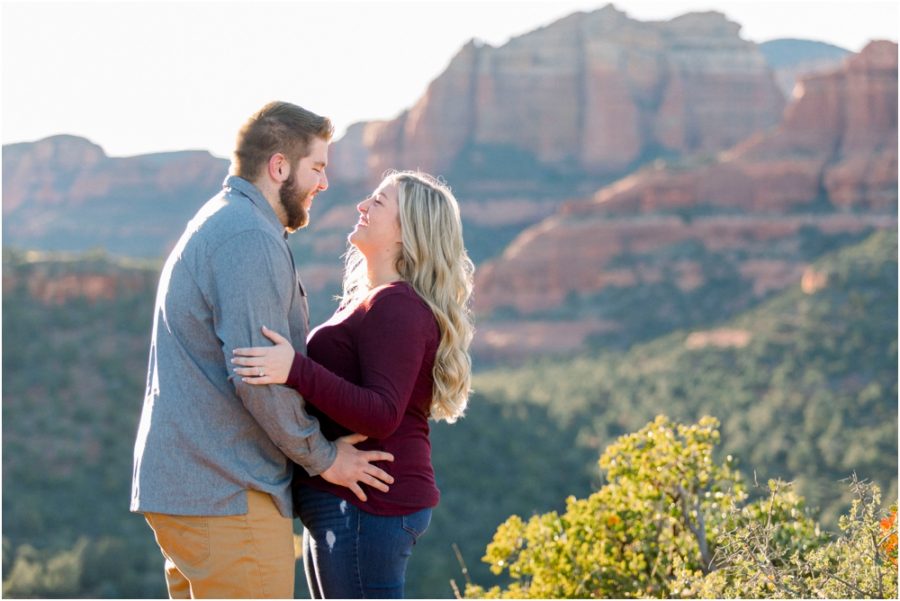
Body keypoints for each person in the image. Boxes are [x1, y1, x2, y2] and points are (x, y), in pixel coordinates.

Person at [131, 101, 396, 599]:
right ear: (279, 167)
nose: (324, 183)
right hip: (229, 495)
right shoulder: (248, 237)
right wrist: (323, 458)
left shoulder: (223, 221)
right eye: (317, 167)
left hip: (194, 492)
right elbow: (258, 374)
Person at [231, 170, 475, 598]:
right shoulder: (371, 300)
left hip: (369, 502)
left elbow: (381, 414)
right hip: (347, 500)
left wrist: (294, 370)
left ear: (407, 231)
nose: (361, 206)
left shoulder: (396, 306)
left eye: (378, 203)